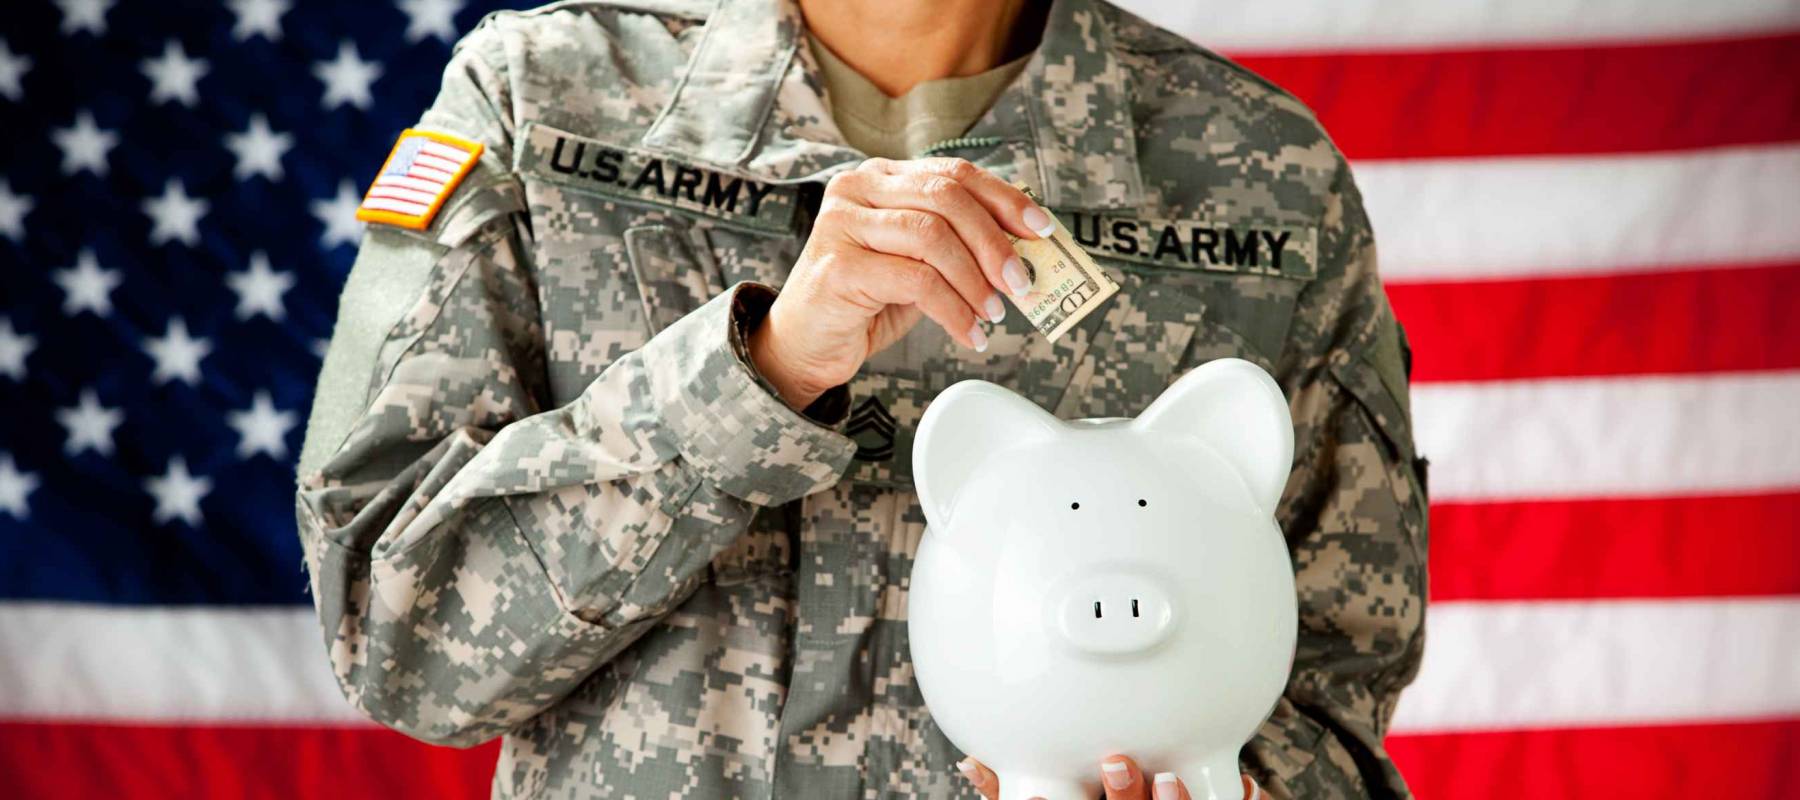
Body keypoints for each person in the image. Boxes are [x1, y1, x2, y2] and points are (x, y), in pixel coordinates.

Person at [294, 0, 1429, 797]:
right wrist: (759, 373)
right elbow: (397, 638)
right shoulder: (541, 101)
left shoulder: (1261, 178)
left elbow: (1335, 679)